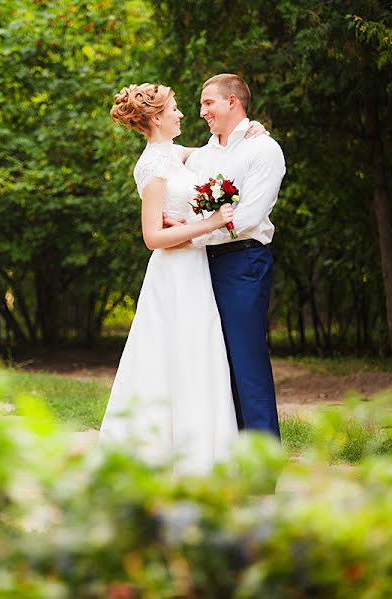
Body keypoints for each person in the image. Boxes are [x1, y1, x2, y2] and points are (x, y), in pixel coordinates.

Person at [98, 83, 264, 475]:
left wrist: (253, 131)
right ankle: (159, 457)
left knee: (198, 355)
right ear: (156, 118)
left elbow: (218, 150)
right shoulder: (151, 167)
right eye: (175, 109)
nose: (182, 114)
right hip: (173, 274)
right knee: (170, 357)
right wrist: (205, 225)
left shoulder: (175, 154)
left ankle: (202, 456)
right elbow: (152, 237)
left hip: (195, 271)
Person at [180, 73, 286, 438]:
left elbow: (249, 217)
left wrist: (191, 235)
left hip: (243, 263)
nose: (202, 111)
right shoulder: (199, 158)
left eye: (208, 102)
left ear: (233, 102)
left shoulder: (263, 149)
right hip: (197, 267)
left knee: (247, 363)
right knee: (213, 365)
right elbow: (160, 158)